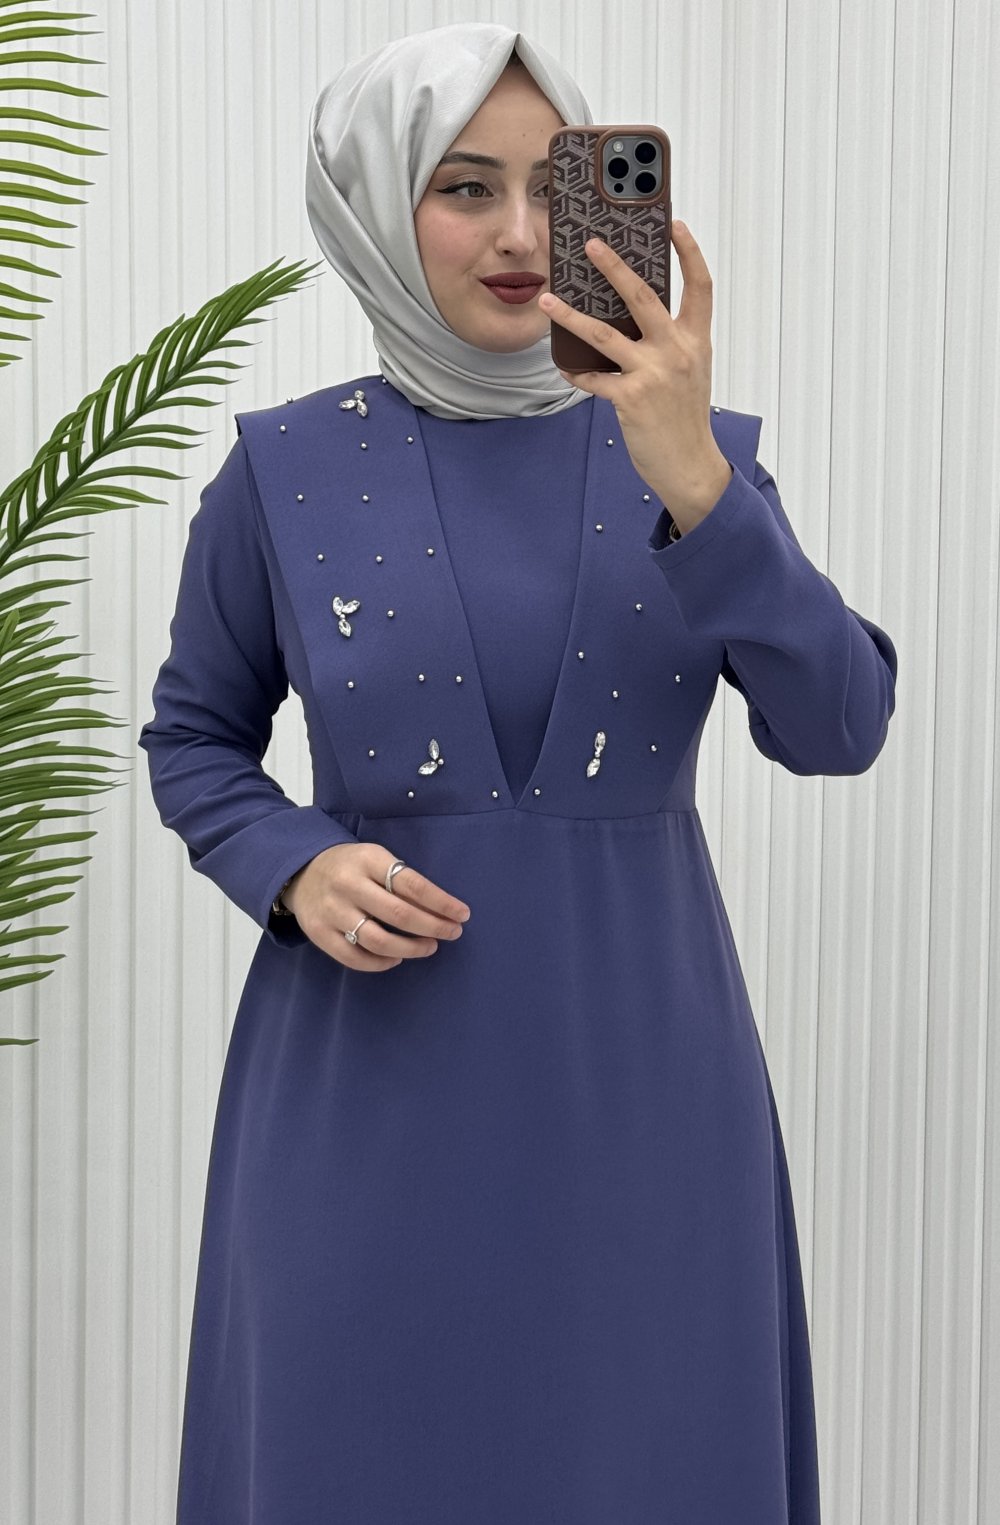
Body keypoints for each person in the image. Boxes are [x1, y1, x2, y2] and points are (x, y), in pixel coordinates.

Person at [139, 21, 897, 1524]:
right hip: (363, 1098)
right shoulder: (282, 472)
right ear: (375, 204)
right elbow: (193, 738)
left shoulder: (702, 457)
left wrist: (698, 480)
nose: (520, 235)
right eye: (464, 187)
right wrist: (292, 863)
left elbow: (840, 727)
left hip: (643, 1100)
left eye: (556, 186)